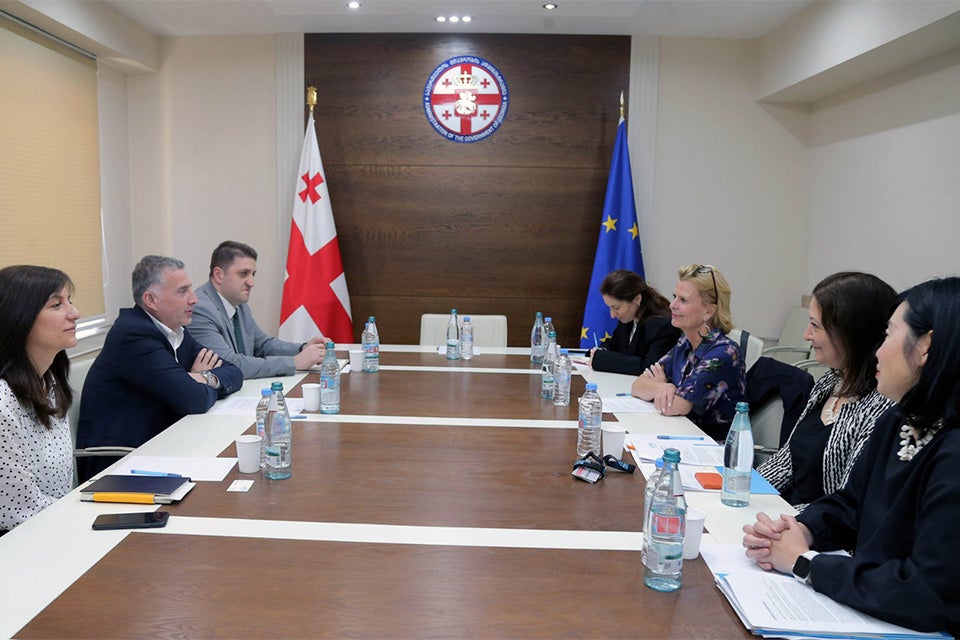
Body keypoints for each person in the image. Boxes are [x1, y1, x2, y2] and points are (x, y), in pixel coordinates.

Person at [743, 277, 960, 634]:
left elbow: (927, 591)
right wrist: (801, 528)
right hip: (871, 609)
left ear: (925, 347)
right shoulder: (899, 419)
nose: (878, 349)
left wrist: (805, 563)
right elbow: (850, 503)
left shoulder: (953, 452)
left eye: (888, 335)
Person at [76, 256, 243, 482]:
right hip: (123, 464)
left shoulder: (174, 330)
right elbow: (192, 400)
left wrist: (201, 378)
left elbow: (233, 372)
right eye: (182, 292)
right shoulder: (134, 335)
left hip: (163, 445)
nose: (194, 299)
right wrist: (193, 384)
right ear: (151, 300)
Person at [757, 272, 897, 509]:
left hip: (819, 534)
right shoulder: (829, 382)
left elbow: (845, 505)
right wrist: (740, 490)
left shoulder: (881, 407)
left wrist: (784, 522)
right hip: (787, 517)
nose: (806, 335)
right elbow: (786, 461)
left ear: (850, 332)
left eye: (815, 325)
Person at [0, 266, 79, 533]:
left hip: (52, 529)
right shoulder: (2, 400)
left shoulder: (51, 380)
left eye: (70, 301)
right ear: (18, 317)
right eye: (56, 304)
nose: (74, 313)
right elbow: (17, 512)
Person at [631, 264, 746, 440]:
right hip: (680, 435)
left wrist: (664, 391)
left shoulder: (724, 353)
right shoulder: (686, 342)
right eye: (674, 297)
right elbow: (638, 385)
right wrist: (664, 387)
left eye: (683, 300)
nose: (672, 305)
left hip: (711, 450)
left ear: (709, 311)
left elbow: (674, 406)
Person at [190, 241, 326, 378]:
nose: (251, 283)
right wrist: (295, 362)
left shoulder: (238, 304)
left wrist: (302, 348)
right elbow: (230, 364)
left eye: (252, 274)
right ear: (219, 275)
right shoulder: (200, 309)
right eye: (243, 273)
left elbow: (263, 345)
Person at [587, 269, 680, 375]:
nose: (612, 315)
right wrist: (601, 351)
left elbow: (650, 367)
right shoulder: (628, 319)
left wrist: (601, 359)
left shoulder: (662, 325)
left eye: (616, 307)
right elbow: (613, 344)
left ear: (637, 299)